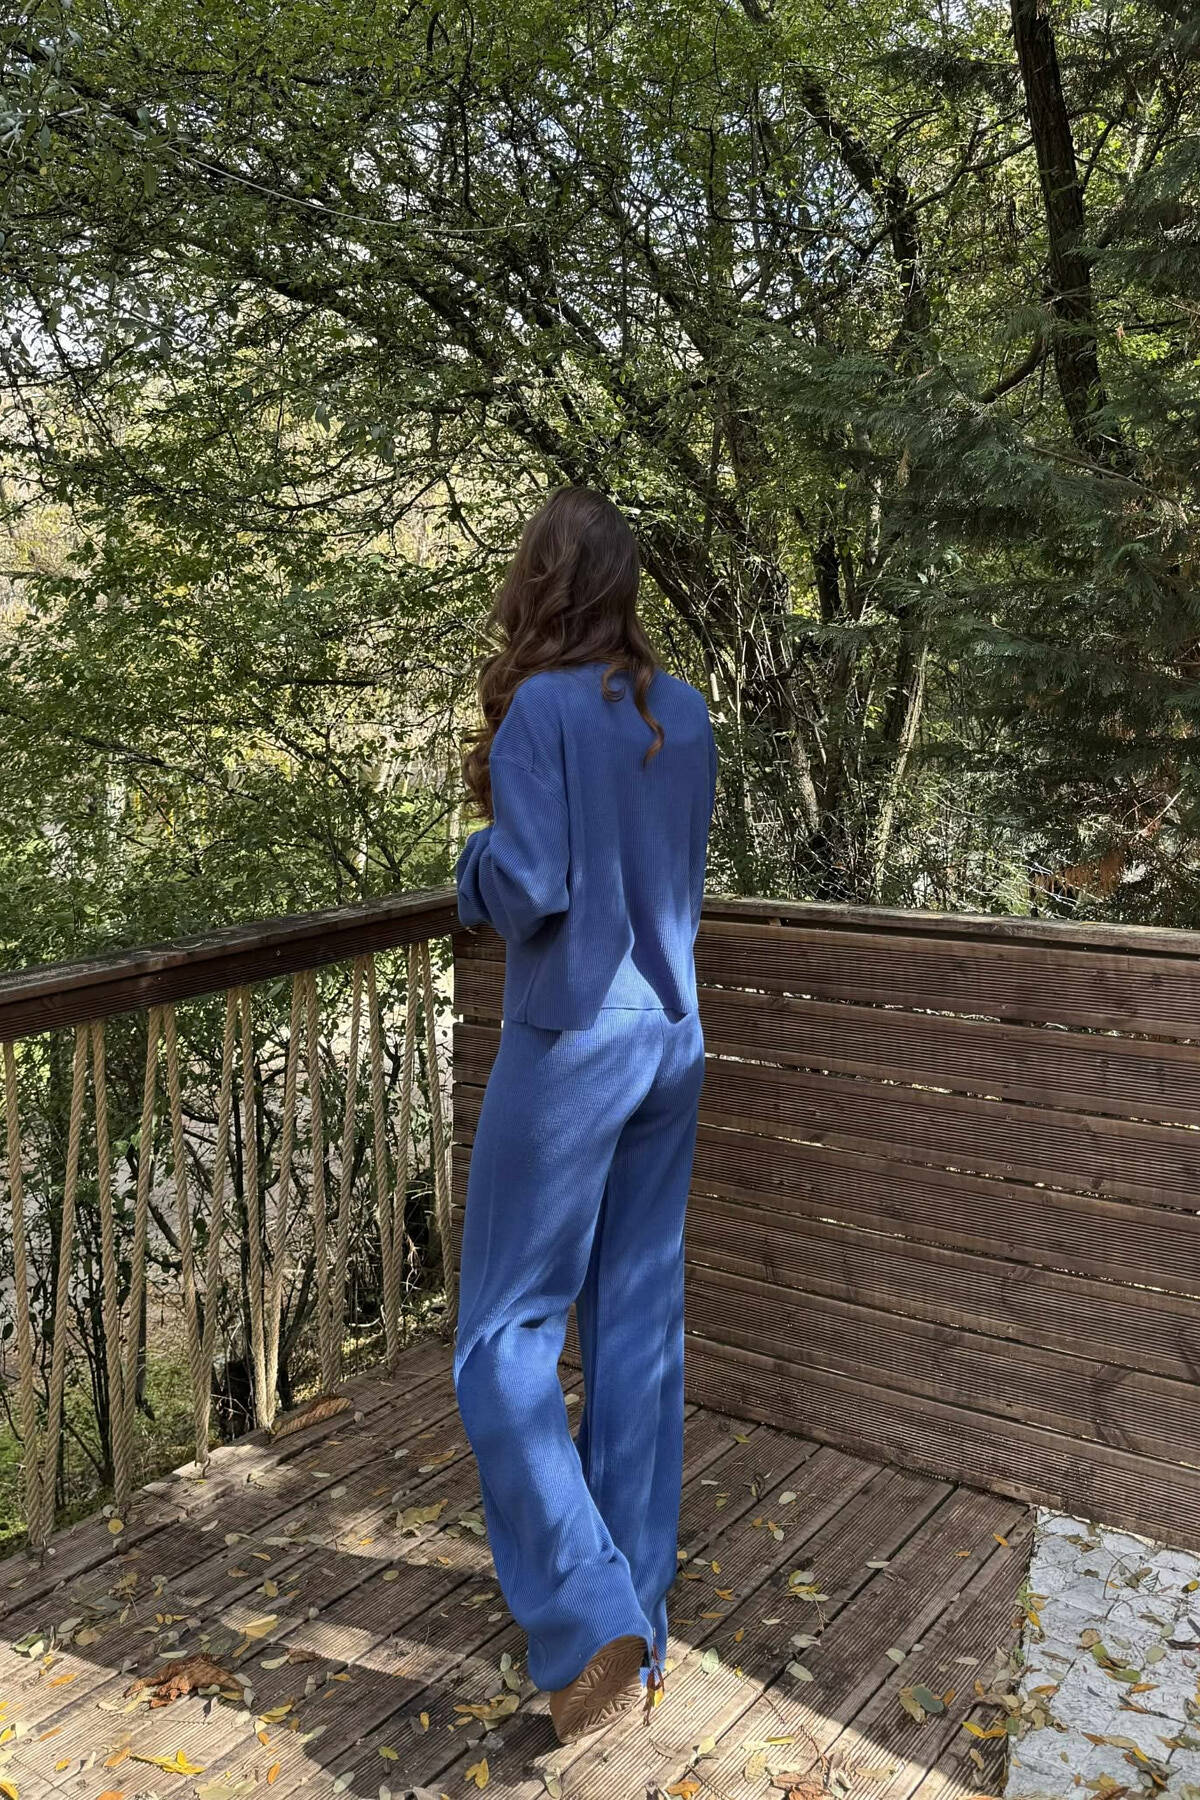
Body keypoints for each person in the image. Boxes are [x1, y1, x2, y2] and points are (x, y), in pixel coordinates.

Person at [451, 486, 717, 1745]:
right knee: (636, 1322)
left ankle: (585, 1611)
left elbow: (533, 884)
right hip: (672, 1041)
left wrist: (468, 870)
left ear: (539, 581)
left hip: (570, 1044)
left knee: (502, 1334)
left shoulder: (540, 712)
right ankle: (639, 1613)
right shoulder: (686, 712)